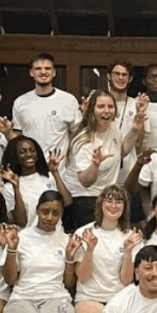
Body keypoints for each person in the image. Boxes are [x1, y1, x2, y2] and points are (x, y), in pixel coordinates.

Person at [73, 185, 143, 313]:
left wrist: (128, 252)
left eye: (118, 202)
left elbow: (126, 281)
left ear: (124, 207)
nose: (113, 206)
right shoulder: (84, 232)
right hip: (89, 296)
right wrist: (90, 250)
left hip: (119, 297)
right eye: (109, 201)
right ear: (101, 204)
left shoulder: (131, 236)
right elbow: (82, 276)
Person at [63, 90, 144, 228]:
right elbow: (85, 181)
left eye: (110, 106)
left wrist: (135, 130)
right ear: (92, 110)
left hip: (107, 196)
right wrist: (95, 164)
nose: (106, 111)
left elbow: (121, 151)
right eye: (101, 107)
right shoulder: (83, 139)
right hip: (85, 200)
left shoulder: (112, 128)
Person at [10, 53, 81, 180]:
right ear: (31, 73)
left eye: (47, 68)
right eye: (38, 68)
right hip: (29, 175)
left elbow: (78, 136)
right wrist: (6, 132)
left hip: (61, 174)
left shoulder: (68, 100)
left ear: (54, 72)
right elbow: (17, 140)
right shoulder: (20, 102)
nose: (43, 72)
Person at [106, 60, 151, 222]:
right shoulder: (101, 104)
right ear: (109, 77)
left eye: (124, 75)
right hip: (103, 176)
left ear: (130, 78)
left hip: (129, 176)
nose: (120, 78)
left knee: (131, 224)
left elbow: (139, 143)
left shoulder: (136, 104)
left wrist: (139, 115)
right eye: (116, 74)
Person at [0, 135, 70, 229]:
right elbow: (21, 222)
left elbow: (67, 202)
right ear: (15, 156)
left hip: (56, 233)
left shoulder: (50, 176)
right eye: (22, 152)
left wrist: (55, 172)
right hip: (28, 235)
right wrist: (16, 187)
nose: (29, 154)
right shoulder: (10, 187)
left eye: (32, 151)